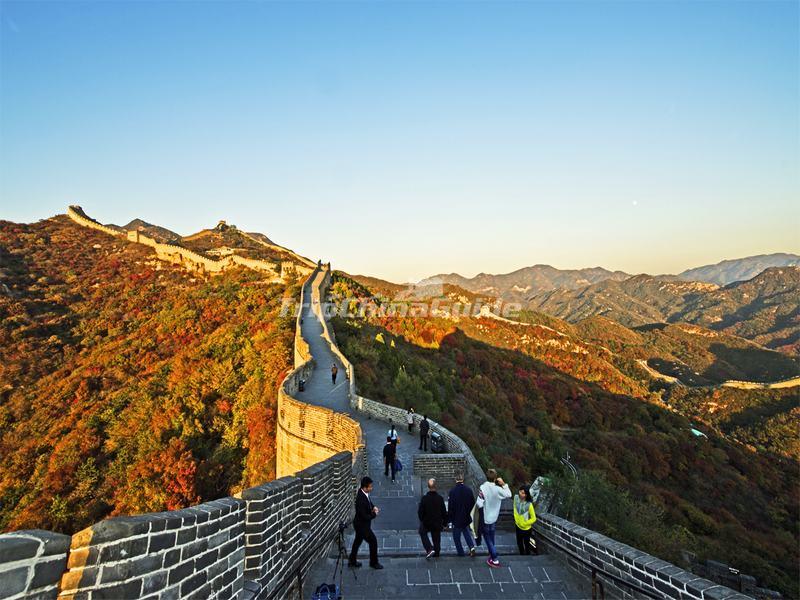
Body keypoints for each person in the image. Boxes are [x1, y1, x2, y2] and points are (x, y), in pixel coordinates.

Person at [476, 468, 511, 568]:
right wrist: (504, 484)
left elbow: (479, 503)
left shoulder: (483, 487)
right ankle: (492, 554)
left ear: (486, 477)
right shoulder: (499, 489)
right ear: (496, 478)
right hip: (494, 517)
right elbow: (509, 494)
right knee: (491, 537)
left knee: (487, 539)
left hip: (486, 518)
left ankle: (495, 559)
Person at [349, 477, 383, 570]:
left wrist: (373, 507)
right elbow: (365, 516)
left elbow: (369, 502)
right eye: (370, 487)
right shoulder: (360, 499)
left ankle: (352, 561)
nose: (371, 488)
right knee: (373, 541)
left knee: (357, 541)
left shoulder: (364, 493)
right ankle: (374, 563)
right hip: (361, 525)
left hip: (360, 524)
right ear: (364, 487)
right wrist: (374, 514)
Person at [418, 478, 448, 559]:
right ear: (436, 486)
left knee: (422, 531)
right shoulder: (440, 498)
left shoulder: (424, 498)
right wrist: (445, 523)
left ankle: (429, 548)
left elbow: (420, 512)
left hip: (427, 522)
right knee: (436, 538)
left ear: (428, 486)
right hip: (437, 523)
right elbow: (444, 513)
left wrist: (422, 520)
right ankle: (437, 553)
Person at [447, 473, 477, 557]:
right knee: (466, 532)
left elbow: (450, 507)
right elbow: (472, 504)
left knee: (456, 537)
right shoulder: (469, 490)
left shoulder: (452, 491)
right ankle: (471, 547)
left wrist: (449, 519)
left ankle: (461, 553)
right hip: (466, 517)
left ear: (455, 480)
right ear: (463, 479)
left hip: (456, 518)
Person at [513, 484, 537, 555]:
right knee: (519, 543)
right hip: (517, 526)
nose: (520, 493)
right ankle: (522, 555)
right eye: (520, 491)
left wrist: (524, 523)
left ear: (526, 494)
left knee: (527, 544)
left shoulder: (529, 505)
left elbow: (534, 518)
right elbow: (514, 508)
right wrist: (516, 520)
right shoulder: (516, 498)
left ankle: (527, 556)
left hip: (526, 529)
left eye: (523, 493)